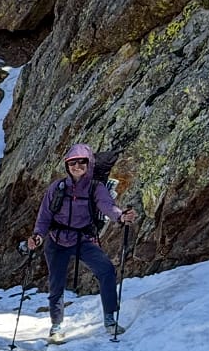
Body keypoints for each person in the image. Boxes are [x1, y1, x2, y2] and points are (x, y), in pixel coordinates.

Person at [26, 143, 137, 340]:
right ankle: (56, 326)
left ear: (89, 163)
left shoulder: (95, 188)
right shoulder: (57, 188)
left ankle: (110, 318)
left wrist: (121, 217)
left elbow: (107, 206)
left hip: (83, 239)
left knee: (106, 270)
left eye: (81, 162)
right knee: (56, 284)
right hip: (56, 240)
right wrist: (38, 236)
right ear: (67, 165)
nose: (77, 166)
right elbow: (44, 216)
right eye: (72, 163)